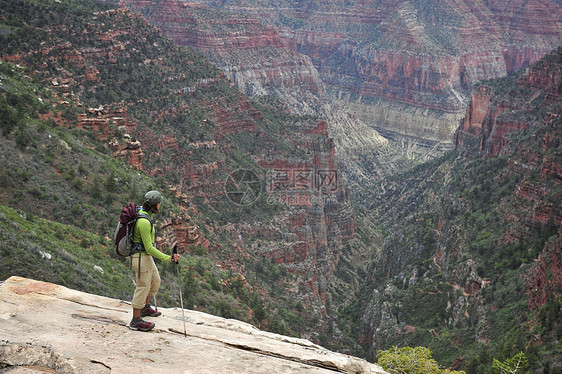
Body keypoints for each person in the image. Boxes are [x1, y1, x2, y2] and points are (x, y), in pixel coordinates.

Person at [129, 190, 180, 332]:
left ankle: (144, 308)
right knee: (142, 286)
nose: (160, 206)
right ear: (155, 204)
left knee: (155, 281)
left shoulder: (146, 215)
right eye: (159, 203)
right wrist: (168, 258)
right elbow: (149, 248)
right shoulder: (144, 222)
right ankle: (135, 320)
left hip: (145, 256)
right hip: (140, 257)